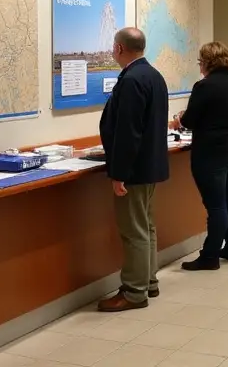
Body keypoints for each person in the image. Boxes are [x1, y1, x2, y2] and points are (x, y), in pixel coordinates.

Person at [97, 28, 169, 312]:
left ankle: (134, 292)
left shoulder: (131, 80)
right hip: (149, 165)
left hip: (134, 171)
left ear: (118, 49)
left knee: (134, 230)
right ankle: (148, 281)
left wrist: (119, 174)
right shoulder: (153, 75)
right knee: (146, 227)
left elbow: (128, 133)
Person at [175, 42, 228, 272]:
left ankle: (210, 256)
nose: (200, 66)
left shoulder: (204, 86)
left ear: (207, 62)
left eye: (200, 62)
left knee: (216, 206)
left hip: (213, 151)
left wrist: (179, 118)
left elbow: (189, 121)